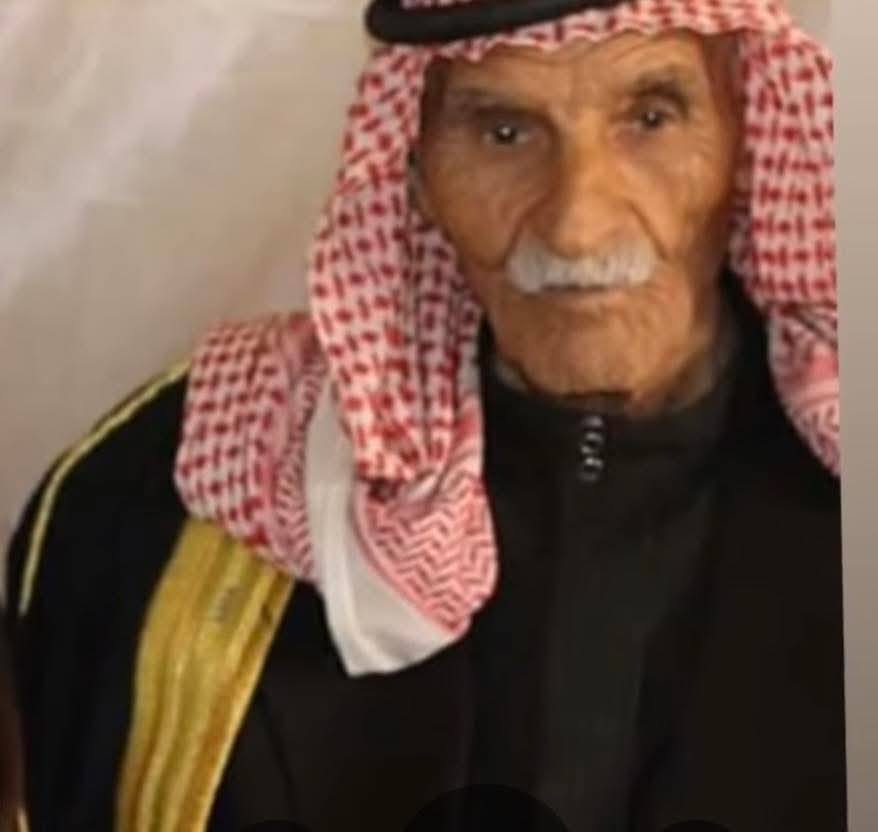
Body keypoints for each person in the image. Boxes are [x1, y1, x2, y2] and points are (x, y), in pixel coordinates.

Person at [4, 0, 845, 830]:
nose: (577, 228)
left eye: (651, 120)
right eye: (503, 134)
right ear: (414, 170)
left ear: (748, 138)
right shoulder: (153, 502)